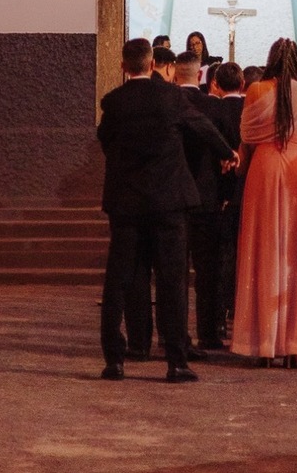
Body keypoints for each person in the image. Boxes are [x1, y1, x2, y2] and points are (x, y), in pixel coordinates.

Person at [97, 37, 234, 384]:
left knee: (121, 280)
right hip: (168, 201)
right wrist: (227, 153)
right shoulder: (171, 97)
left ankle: (116, 359)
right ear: (152, 64)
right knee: (172, 281)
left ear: (124, 67)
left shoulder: (114, 101)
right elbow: (201, 126)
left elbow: (105, 140)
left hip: (127, 203)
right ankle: (176, 362)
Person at [232, 37, 297, 366]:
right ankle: (293, 344)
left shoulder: (256, 90)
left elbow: (246, 136)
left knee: (262, 249)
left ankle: (263, 343)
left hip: (263, 168)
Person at [174, 50, 223, 354]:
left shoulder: (167, 104)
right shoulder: (212, 106)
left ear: (174, 72)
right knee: (208, 271)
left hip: (175, 196)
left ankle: (173, 335)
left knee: (175, 271)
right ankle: (209, 333)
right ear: (200, 74)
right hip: (207, 196)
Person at [206, 60, 247, 347]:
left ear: (216, 85)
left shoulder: (214, 110)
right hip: (247, 187)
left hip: (221, 189)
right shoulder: (249, 109)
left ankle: (219, 317)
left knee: (222, 255)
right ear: (242, 84)